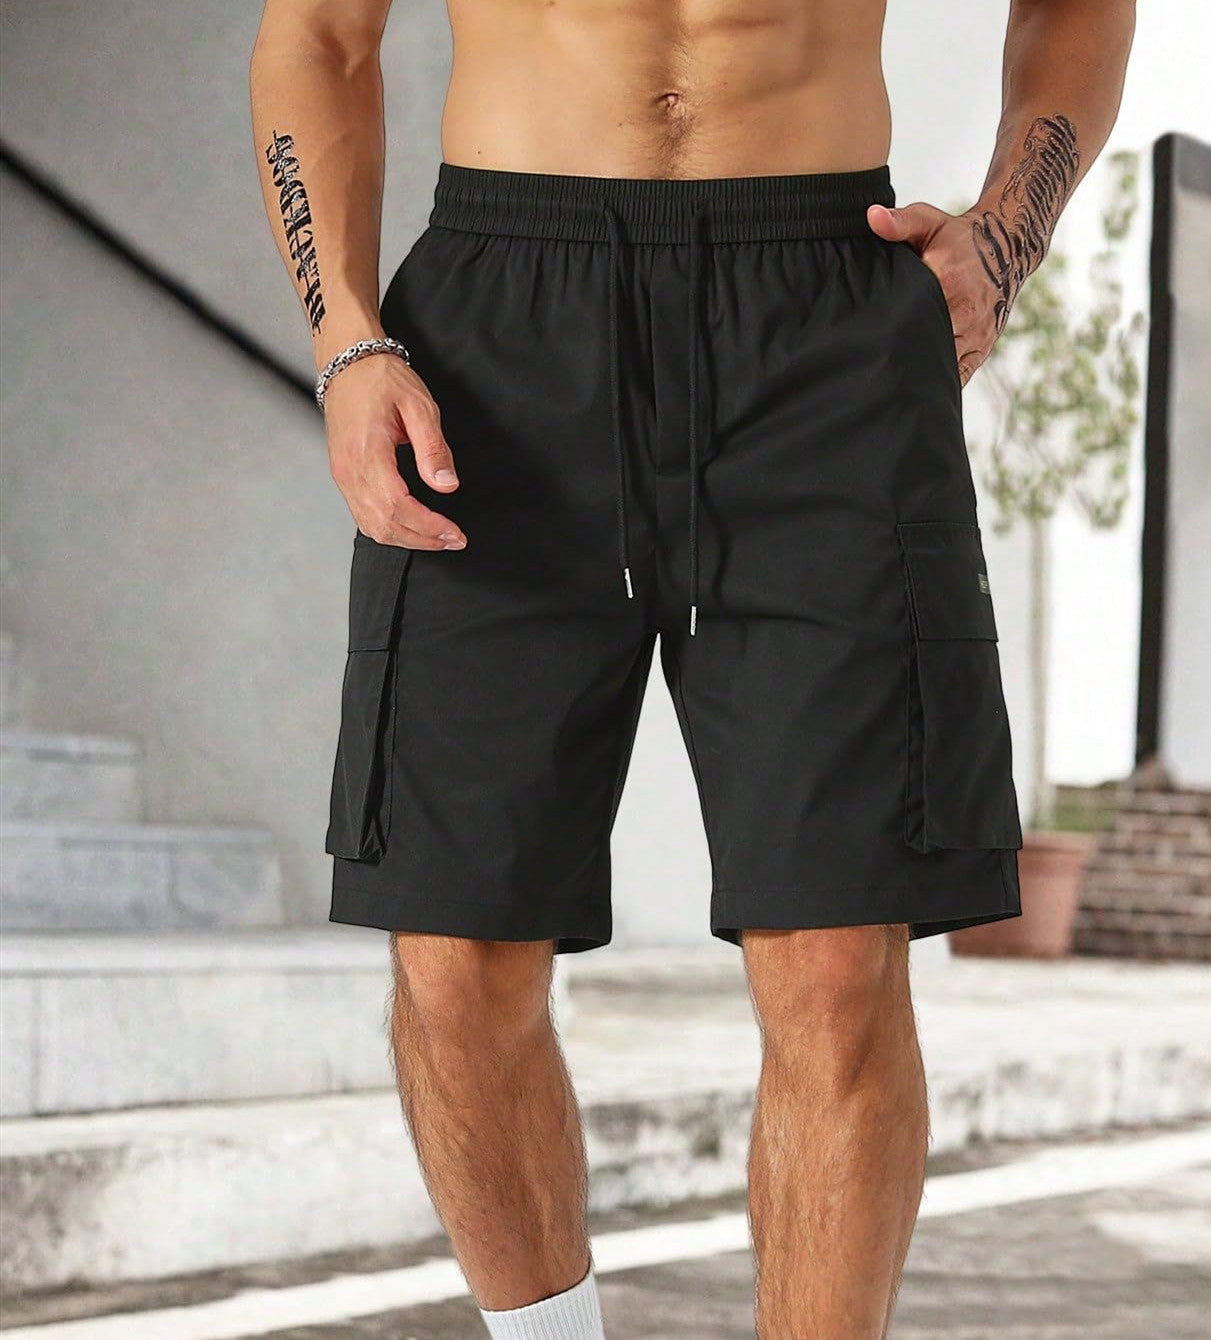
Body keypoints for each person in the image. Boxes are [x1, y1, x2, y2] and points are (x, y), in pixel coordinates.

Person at [250, 1, 1133, 1334]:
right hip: (503, 321)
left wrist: (1007, 235)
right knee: (455, 955)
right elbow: (319, 36)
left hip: (822, 315)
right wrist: (345, 342)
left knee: (839, 963)